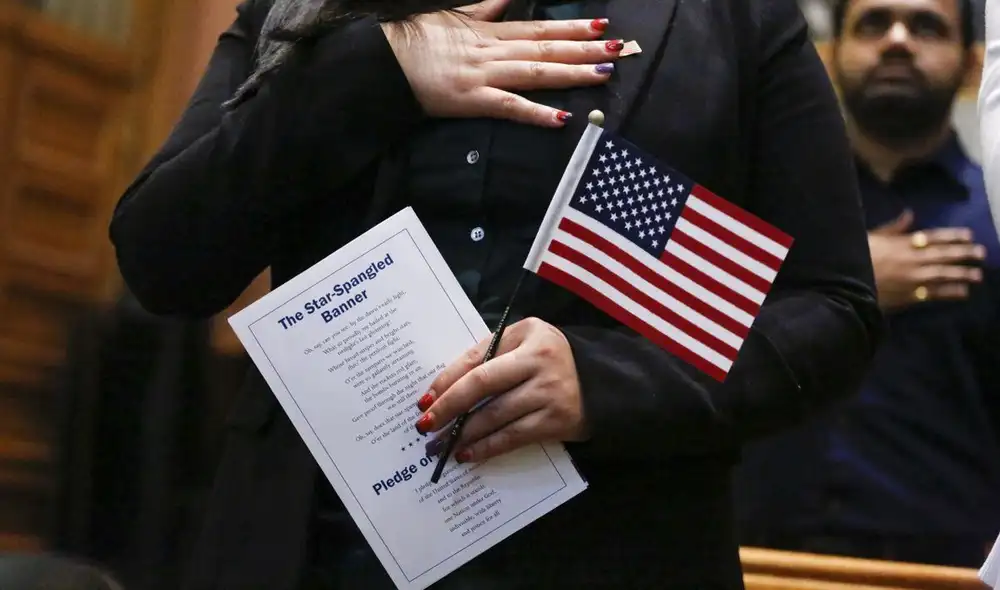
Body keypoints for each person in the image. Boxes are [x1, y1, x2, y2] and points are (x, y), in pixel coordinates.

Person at [108, 0, 881, 586]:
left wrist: (603, 383)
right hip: (313, 549)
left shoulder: (736, 19)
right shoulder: (304, 9)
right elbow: (161, 260)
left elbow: (833, 309)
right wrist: (378, 70)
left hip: (617, 545)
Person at [737, 0, 1000, 569]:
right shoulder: (761, 216)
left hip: (945, 567)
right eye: (873, 23)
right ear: (829, 60)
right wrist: (844, 288)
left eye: (927, 26)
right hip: (756, 557)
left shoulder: (997, 222)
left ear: (972, 66)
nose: (898, 40)